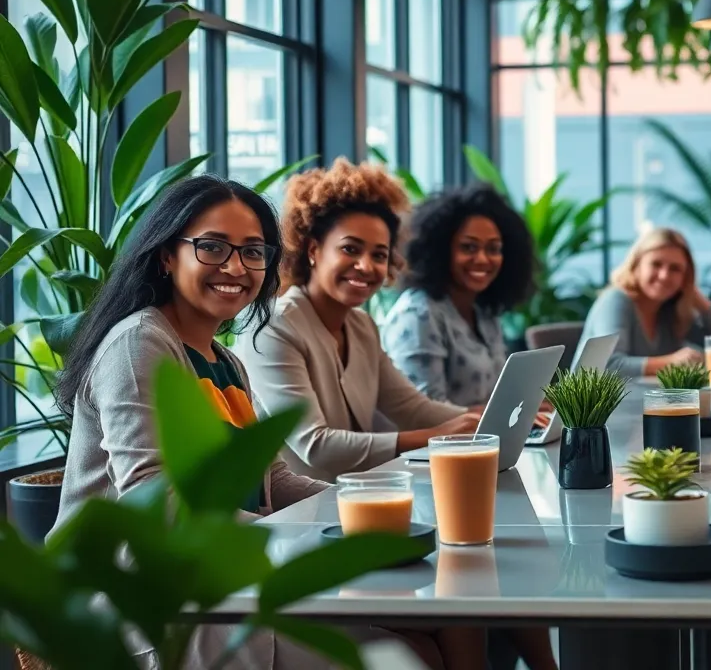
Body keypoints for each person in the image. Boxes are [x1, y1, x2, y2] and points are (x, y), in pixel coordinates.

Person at [48, 176, 456, 669]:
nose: (236, 267)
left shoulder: (223, 360)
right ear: (166, 255)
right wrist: (288, 539)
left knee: (436, 625)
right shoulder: (140, 343)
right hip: (154, 606)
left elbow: (272, 478)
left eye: (253, 251)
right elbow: (153, 499)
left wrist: (361, 508)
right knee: (407, 657)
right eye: (213, 247)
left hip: (233, 585)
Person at [235, 159, 481, 484]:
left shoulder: (362, 326)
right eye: (350, 249)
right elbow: (316, 446)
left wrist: (486, 420)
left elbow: (411, 407)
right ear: (313, 250)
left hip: (354, 499)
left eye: (379, 255)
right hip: (295, 514)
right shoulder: (274, 327)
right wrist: (435, 436)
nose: (366, 266)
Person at [382, 184, 534, 405]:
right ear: (441, 251)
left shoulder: (483, 312)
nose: (483, 259)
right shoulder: (418, 315)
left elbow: (496, 399)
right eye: (469, 248)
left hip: (485, 437)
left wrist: (526, 406)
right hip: (440, 439)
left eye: (493, 249)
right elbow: (426, 412)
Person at [580, 227, 711, 377]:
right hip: (590, 403)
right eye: (656, 264)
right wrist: (670, 362)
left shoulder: (671, 311)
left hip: (645, 402)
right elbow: (606, 366)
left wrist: (697, 298)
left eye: (675, 269)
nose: (664, 276)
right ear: (636, 266)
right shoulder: (615, 300)